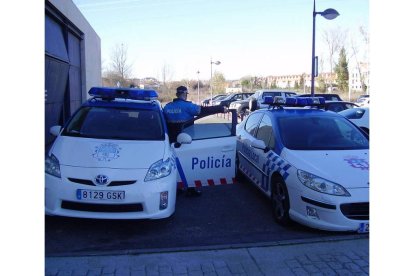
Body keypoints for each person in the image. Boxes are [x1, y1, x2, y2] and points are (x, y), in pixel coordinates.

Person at [163, 86, 225, 196]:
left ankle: (177, 187)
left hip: (172, 143)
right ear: (184, 94)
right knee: (190, 165)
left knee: (174, 165)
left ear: (177, 94)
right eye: (186, 94)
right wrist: (220, 108)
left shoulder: (167, 107)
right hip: (187, 141)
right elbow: (204, 110)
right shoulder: (188, 106)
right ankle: (191, 188)